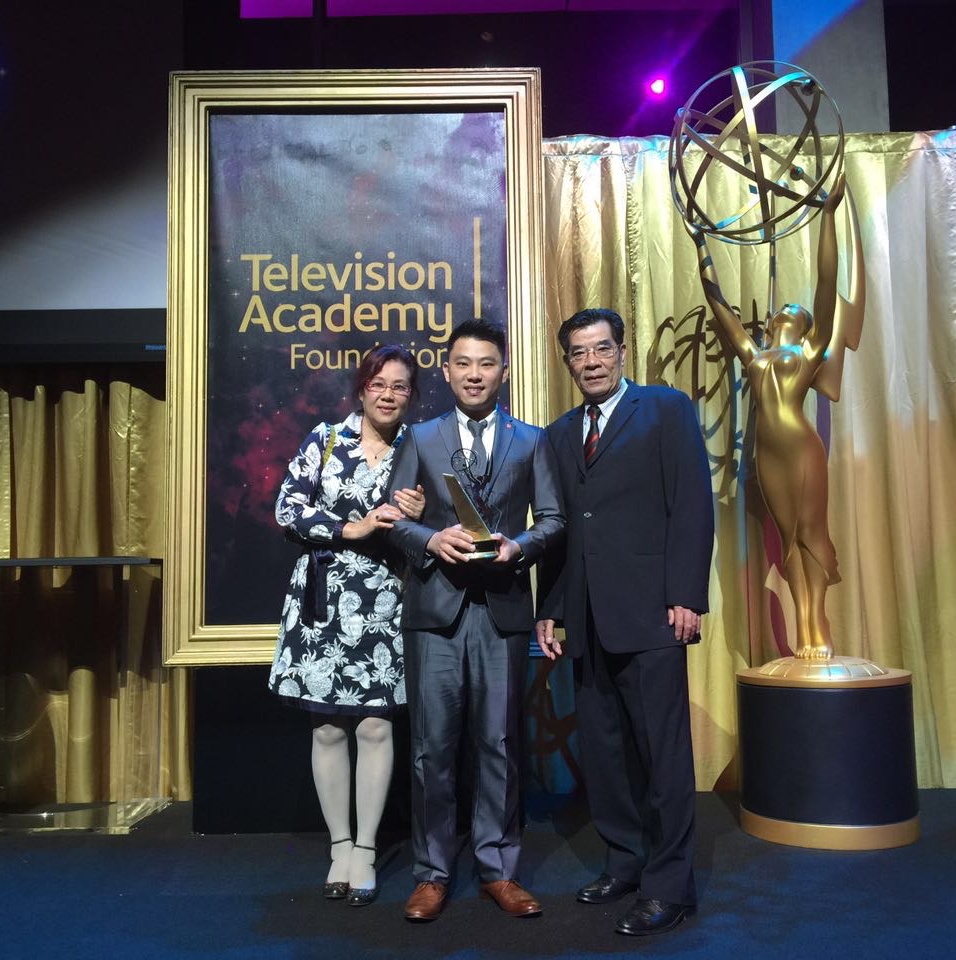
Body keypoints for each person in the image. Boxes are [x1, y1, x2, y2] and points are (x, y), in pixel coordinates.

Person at [536, 307, 714, 937]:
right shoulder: (559, 434)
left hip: (653, 613)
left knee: (662, 755)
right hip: (585, 618)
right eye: (579, 353)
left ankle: (671, 886)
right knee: (606, 756)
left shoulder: (665, 410)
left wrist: (687, 596)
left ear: (622, 350)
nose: (591, 361)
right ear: (568, 362)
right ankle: (625, 862)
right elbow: (560, 533)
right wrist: (551, 609)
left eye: (601, 348)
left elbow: (691, 505)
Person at [385, 318, 565, 923]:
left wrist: (521, 547)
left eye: (486, 364)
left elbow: (554, 520)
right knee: (432, 750)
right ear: (447, 370)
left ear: (504, 370)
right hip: (435, 613)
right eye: (463, 363)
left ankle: (498, 868)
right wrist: (430, 539)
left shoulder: (532, 440)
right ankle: (433, 873)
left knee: (501, 744)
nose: (474, 374)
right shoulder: (422, 436)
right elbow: (395, 520)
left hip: (503, 612)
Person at [269, 343, 427, 907]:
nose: (388, 394)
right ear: (362, 389)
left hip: (388, 598)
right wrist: (349, 529)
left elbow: (443, 520)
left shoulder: (419, 446)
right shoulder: (325, 439)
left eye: (400, 386)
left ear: (411, 394)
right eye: (379, 384)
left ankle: (365, 847)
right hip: (323, 602)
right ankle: (339, 844)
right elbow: (287, 509)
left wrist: (417, 511)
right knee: (329, 728)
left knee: (376, 728)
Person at [695, 174, 859, 659]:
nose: (779, 313)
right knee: (786, 542)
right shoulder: (753, 355)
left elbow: (827, 285)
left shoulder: (809, 351)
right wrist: (701, 242)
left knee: (811, 535)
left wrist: (826, 217)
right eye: (776, 314)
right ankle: (801, 625)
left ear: (804, 323)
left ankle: (818, 625)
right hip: (766, 454)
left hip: (801, 448)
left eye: (791, 310)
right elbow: (718, 305)